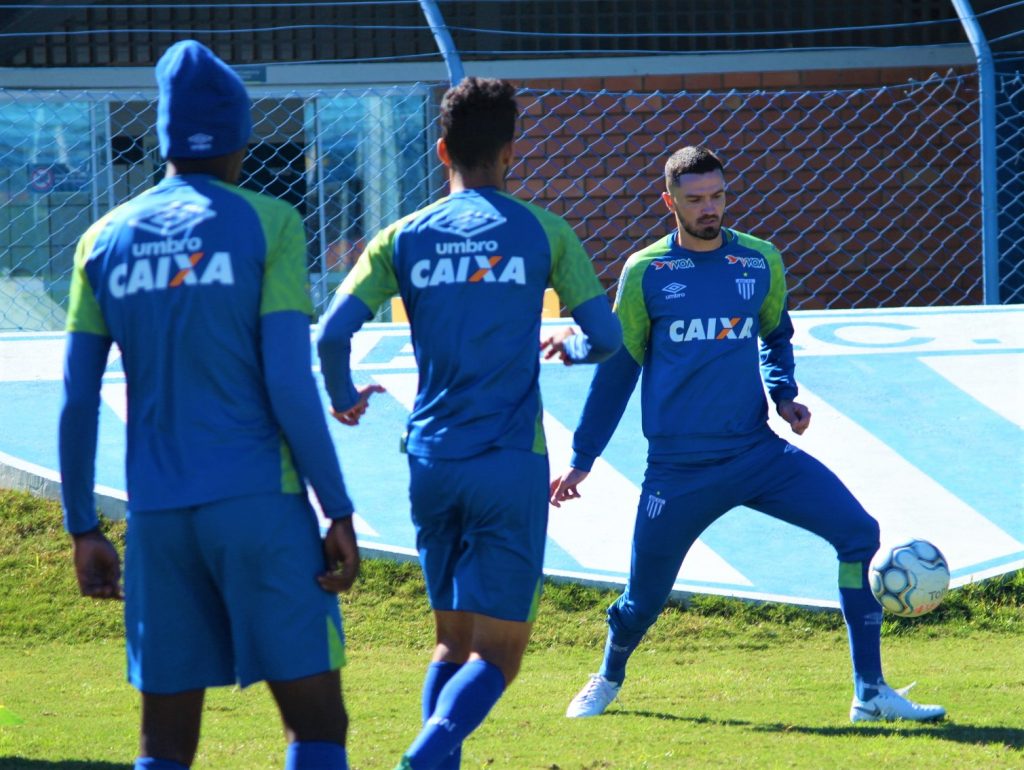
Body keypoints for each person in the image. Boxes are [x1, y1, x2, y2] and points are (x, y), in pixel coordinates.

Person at [550, 145, 946, 724]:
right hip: (678, 472)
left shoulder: (759, 261)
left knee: (859, 533)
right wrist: (583, 457)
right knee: (642, 603)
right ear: (669, 202)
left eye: (717, 196)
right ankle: (608, 676)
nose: (709, 208)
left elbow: (775, 335)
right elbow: (620, 369)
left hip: (758, 453)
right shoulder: (646, 272)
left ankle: (870, 691)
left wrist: (785, 395)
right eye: (695, 199)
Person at [58, 41, 359, 770]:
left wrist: (83, 527)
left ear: (163, 138)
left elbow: (77, 400)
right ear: (239, 137)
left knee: (164, 743)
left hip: (159, 519)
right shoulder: (269, 222)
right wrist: (338, 510)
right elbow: (289, 382)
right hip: (260, 504)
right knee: (317, 726)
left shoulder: (101, 240)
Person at [316, 77, 622, 770]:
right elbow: (605, 337)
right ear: (511, 151)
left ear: (441, 149)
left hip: (431, 460)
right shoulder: (544, 231)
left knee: (450, 646)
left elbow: (331, 336)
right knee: (499, 656)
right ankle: (419, 762)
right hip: (509, 460)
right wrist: (570, 346)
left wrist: (344, 396)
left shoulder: (401, 236)